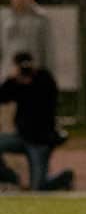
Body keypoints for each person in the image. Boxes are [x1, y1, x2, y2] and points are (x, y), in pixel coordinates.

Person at [0, 51, 72, 190]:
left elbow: (49, 96)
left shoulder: (44, 79)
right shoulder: (15, 83)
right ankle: (11, 177)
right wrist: (12, 79)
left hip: (40, 142)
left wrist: (28, 81)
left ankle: (65, 177)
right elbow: (2, 97)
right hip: (21, 138)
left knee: (38, 188)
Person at [0, 0, 55, 133]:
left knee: (32, 131)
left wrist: (47, 80)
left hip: (33, 83)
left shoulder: (41, 18)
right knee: (6, 129)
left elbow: (48, 51)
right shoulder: (4, 18)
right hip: (8, 81)